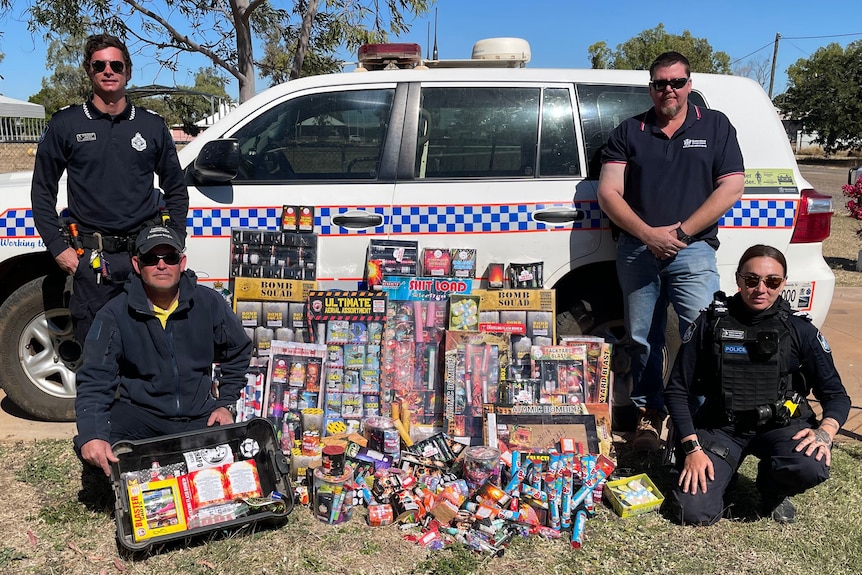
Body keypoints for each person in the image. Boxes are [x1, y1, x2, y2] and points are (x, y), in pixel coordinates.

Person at [596, 51, 745, 450]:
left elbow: (731, 187)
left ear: (689, 85)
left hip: (693, 250)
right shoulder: (630, 130)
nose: (669, 90)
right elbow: (608, 192)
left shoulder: (715, 125)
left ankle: (697, 417)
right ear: (651, 87)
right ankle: (649, 415)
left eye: (677, 82)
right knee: (644, 338)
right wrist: (648, 234)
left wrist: (678, 233)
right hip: (637, 251)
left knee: (702, 333)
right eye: (661, 83)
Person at [664, 244, 850, 525]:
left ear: (783, 283)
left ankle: (772, 487)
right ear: (738, 279)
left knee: (809, 465)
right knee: (691, 512)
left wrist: (825, 432)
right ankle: (725, 476)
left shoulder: (800, 330)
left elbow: (836, 395)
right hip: (722, 427)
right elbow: (677, 390)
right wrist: (692, 448)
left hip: (780, 426)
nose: (761, 288)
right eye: (751, 280)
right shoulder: (709, 323)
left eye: (772, 281)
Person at [30, 33, 189, 345]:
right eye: (99, 65)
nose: (108, 70)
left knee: (147, 352)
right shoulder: (66, 123)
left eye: (116, 64)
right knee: (96, 359)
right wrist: (58, 248)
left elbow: (177, 189)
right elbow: (42, 191)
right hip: (93, 263)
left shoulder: (152, 126)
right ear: (89, 71)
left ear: (127, 71)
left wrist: (173, 241)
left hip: (144, 258)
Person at [74, 225, 252, 477]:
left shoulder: (209, 302)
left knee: (242, 460)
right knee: (96, 446)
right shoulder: (113, 313)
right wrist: (92, 435)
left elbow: (239, 350)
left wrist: (225, 403)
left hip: (199, 415)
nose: (161, 265)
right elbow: (95, 379)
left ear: (182, 262)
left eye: (170, 257)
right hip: (141, 417)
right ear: (137, 264)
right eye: (150, 258)